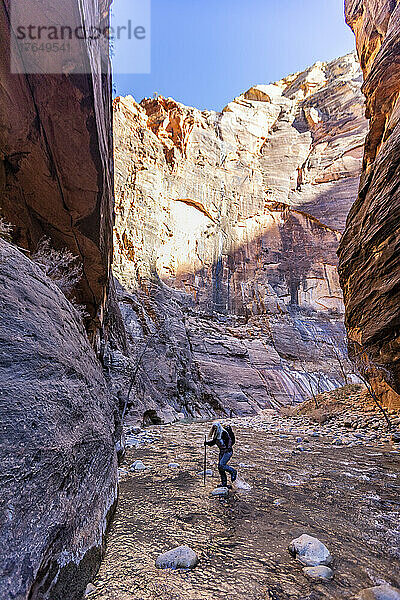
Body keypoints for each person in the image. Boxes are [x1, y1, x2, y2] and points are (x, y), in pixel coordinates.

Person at [205, 422, 237, 487]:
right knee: (220, 468)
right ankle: (224, 483)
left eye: (216, 428)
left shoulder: (224, 433)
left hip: (227, 451)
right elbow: (213, 442)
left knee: (221, 465)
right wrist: (207, 443)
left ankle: (233, 471)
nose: (215, 429)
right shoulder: (217, 435)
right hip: (222, 452)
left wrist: (228, 447)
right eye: (214, 428)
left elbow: (229, 440)